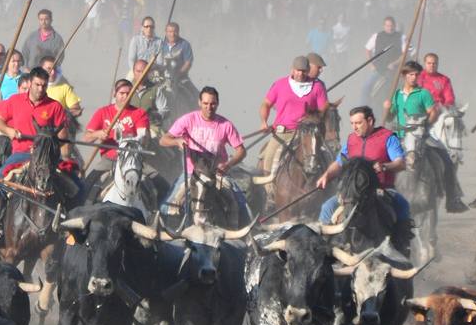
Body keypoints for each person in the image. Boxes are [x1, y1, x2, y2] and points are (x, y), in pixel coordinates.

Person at [315, 105, 412, 250]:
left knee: (402, 205)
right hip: (352, 193)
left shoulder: (388, 137)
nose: (354, 127)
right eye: (352, 123)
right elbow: (339, 162)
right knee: (327, 207)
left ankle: (403, 245)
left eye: (358, 123)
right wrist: (326, 175)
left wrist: (385, 166)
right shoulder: (351, 140)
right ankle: (323, 248)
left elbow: (400, 163)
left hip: (381, 190)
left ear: (370, 121)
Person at [159, 86, 249, 221]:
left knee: (240, 203)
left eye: (213, 103)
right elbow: (163, 140)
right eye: (206, 103)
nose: (209, 107)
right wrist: (177, 141)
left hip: (217, 174)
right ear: (199, 103)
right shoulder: (188, 120)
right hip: (191, 174)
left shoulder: (225, 125)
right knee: (166, 207)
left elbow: (241, 151)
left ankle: (246, 233)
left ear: (217, 104)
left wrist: (228, 165)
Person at [389, 61, 467, 212]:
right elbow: (389, 116)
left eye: (416, 75)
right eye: (411, 74)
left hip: (421, 135)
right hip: (400, 136)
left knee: (446, 159)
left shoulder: (423, 93)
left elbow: (434, 112)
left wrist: (425, 124)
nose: (414, 77)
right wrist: (388, 108)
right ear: (404, 76)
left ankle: (452, 198)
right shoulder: (397, 95)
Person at [258, 55, 329, 180]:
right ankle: (269, 191)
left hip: (308, 133)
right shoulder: (280, 84)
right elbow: (266, 104)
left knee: (327, 157)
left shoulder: (317, 87)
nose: (300, 74)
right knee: (268, 158)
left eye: (303, 71)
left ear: (308, 71)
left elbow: (323, 111)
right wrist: (264, 121)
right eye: (297, 70)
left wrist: (313, 120)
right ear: (292, 69)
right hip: (283, 132)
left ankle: (331, 186)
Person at [0, 66, 73, 174]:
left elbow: (63, 137)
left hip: (46, 157)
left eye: (44, 85)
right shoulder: (15, 100)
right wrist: (8, 130)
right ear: (30, 83)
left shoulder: (55, 106)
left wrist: (52, 147)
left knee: (77, 186)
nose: (41, 89)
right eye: (37, 85)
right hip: (20, 154)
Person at [82, 79, 150, 188]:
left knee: (159, 182)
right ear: (115, 94)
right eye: (122, 93)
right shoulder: (102, 112)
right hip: (109, 160)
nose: (125, 96)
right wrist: (98, 134)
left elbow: (143, 137)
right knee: (86, 187)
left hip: (132, 159)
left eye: (129, 93)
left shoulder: (139, 113)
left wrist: (134, 137)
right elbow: (86, 138)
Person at [359, 16, 403, 108]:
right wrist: (371, 64)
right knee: (365, 87)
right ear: (384, 26)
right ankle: (362, 110)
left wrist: (394, 63)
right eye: (387, 25)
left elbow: (404, 54)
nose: (389, 27)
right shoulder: (376, 36)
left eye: (391, 25)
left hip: (395, 70)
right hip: (379, 69)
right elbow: (367, 49)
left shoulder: (400, 37)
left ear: (394, 26)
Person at [39, 55, 82, 120]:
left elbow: (75, 108)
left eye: (55, 69)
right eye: (49, 69)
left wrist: (70, 112)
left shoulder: (65, 87)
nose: (53, 72)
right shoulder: (32, 86)